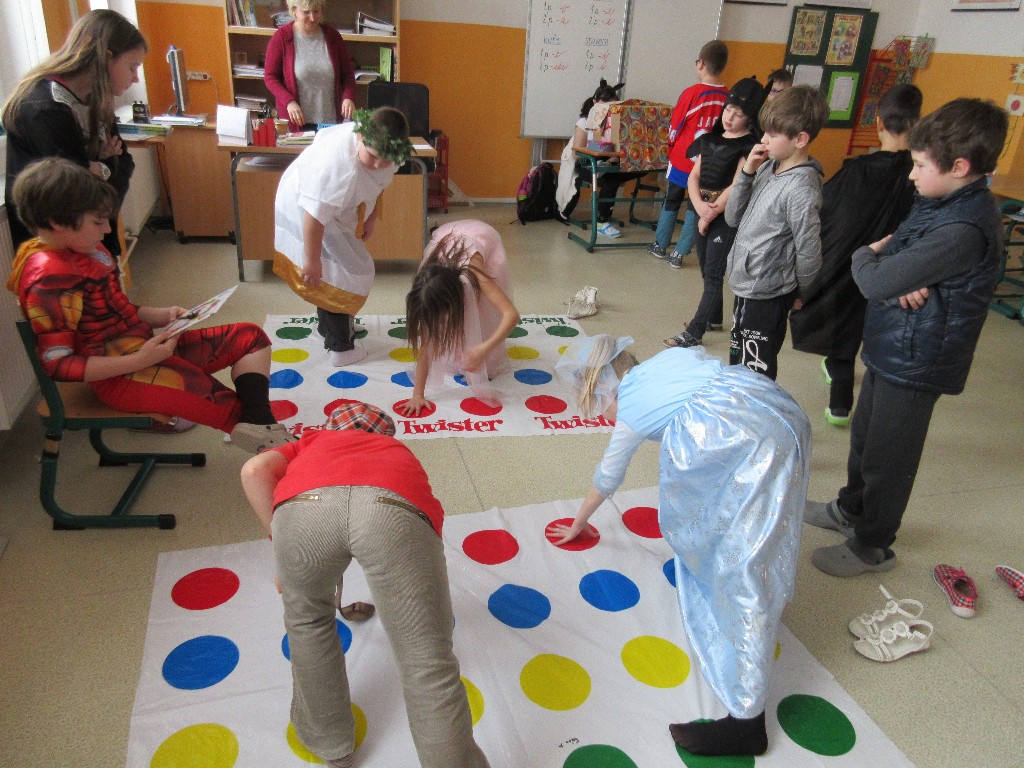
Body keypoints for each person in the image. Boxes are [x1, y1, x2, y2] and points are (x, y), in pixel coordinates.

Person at [549, 335, 810, 757]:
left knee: (727, 551)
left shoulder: (629, 410)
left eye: (599, 408)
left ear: (605, 392)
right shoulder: (666, 359)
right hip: (778, 409)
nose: (605, 418)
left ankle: (747, 722)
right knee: (765, 524)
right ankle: (767, 599)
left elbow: (607, 476)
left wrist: (578, 523)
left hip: (745, 438)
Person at [804, 98, 1008, 578]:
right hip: (894, 346)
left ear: (959, 167)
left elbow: (874, 276)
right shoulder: (939, 202)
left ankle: (872, 545)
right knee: (864, 440)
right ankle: (849, 509)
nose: (911, 175)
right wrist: (894, 274)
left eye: (919, 165)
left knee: (888, 457)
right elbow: (895, 259)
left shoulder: (963, 228)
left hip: (919, 359)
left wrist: (867, 256)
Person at [240, 402, 491, 768]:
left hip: (305, 509)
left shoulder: (310, 442)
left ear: (329, 427)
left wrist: (281, 546)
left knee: (308, 622)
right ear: (383, 434)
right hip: (392, 509)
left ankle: (334, 749)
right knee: (425, 656)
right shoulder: (394, 449)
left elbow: (254, 470)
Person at [7, 158, 292, 454]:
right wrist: (141, 360)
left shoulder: (84, 247)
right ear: (57, 222)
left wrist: (163, 315)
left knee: (250, 337)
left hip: (146, 351)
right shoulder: (49, 279)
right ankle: (276, 447)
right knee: (228, 408)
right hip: (119, 377)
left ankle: (260, 423)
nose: (107, 229)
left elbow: (116, 310)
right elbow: (59, 366)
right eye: (97, 222)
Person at [790, 84, 923, 426]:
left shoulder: (858, 170)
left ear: (878, 122)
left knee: (844, 322)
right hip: (900, 273)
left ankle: (839, 405)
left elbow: (825, 215)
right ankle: (858, 401)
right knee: (876, 333)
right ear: (917, 123)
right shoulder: (921, 175)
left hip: (853, 266)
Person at [273, 106, 411, 367]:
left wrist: (371, 217)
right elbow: (314, 217)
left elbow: (379, 185)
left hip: (335, 210)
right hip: (305, 209)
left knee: (341, 271)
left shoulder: (387, 153)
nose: (378, 165)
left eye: (385, 160)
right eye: (373, 156)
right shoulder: (336, 167)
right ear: (360, 137)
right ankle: (341, 348)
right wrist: (311, 260)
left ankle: (330, 328)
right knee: (340, 277)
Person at [3, 9, 144, 258]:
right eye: (132, 67)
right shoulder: (44, 107)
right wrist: (101, 165)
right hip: (57, 252)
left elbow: (123, 163)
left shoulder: (96, 99)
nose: (135, 79)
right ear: (105, 58)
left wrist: (96, 166)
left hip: (91, 242)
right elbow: (76, 193)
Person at [724, 84, 827, 381]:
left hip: (768, 294)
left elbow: (809, 250)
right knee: (739, 359)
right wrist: (747, 173)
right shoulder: (768, 167)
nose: (763, 139)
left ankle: (755, 408)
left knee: (756, 369)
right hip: (747, 284)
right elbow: (732, 217)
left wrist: (802, 292)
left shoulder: (801, 189)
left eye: (772, 134)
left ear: (800, 139)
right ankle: (736, 402)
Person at [663, 77, 761, 349]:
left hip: (724, 217)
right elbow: (693, 177)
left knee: (714, 274)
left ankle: (694, 331)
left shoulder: (749, 147)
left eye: (738, 114)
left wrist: (710, 213)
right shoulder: (709, 139)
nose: (730, 117)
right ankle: (714, 317)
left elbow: (739, 183)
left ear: (750, 118)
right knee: (707, 269)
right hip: (701, 209)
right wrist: (698, 207)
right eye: (728, 110)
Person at [398, 220, 520, 416]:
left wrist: (483, 348)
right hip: (448, 243)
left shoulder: (475, 271)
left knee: (485, 321)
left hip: (479, 239)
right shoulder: (426, 285)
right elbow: (426, 342)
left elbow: (511, 315)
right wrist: (417, 393)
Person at [648, 40, 729, 269]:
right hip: (710, 165)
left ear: (701, 63)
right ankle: (680, 253)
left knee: (672, 199)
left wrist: (671, 149)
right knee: (697, 206)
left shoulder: (691, 93)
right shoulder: (727, 96)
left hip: (683, 160)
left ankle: (660, 244)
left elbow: (674, 128)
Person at [555, 80, 644, 238]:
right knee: (611, 179)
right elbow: (577, 152)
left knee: (641, 168)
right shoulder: (584, 122)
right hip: (586, 164)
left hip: (610, 162)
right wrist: (599, 151)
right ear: (595, 103)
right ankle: (602, 221)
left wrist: (616, 156)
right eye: (604, 106)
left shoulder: (617, 121)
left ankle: (604, 213)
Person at [264, 0, 357, 130]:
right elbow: (270, 77)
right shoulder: (281, 38)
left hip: (329, 122)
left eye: (316, 11)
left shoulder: (333, 37)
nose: (312, 18)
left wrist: (348, 98)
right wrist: (289, 102)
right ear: (294, 11)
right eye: (306, 12)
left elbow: (348, 75)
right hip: (297, 122)